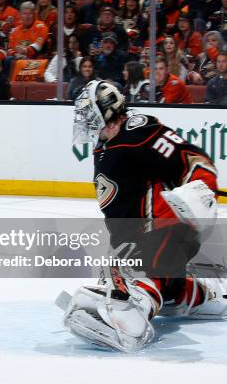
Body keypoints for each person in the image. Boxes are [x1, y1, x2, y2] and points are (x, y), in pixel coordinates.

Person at [63, 79, 227, 352]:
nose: (83, 120)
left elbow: (191, 159)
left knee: (141, 274)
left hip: (168, 230)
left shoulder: (137, 130)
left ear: (104, 110)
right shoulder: (105, 145)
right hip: (139, 239)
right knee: (154, 282)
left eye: (87, 112)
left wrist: (203, 190)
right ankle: (203, 295)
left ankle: (130, 316)